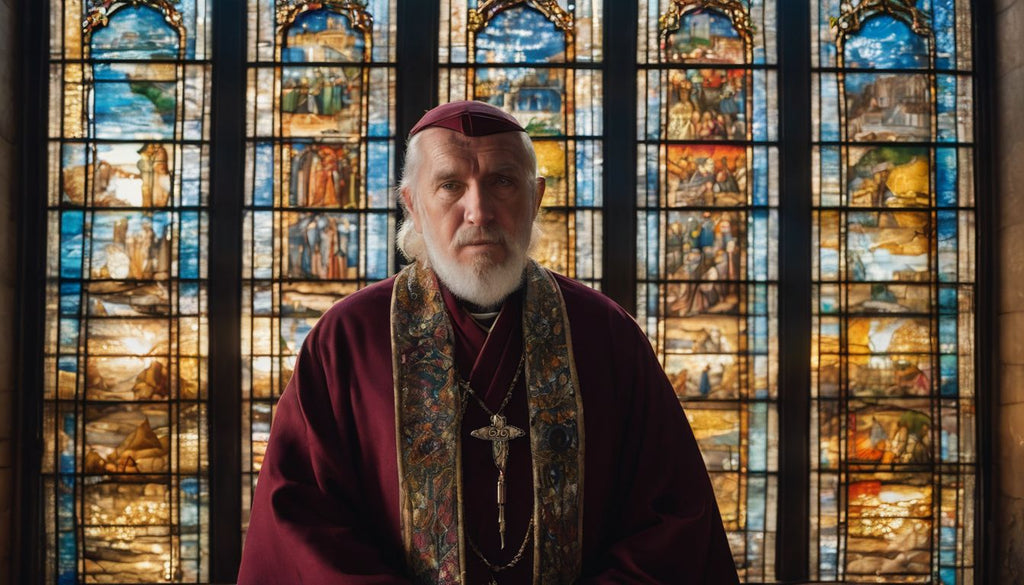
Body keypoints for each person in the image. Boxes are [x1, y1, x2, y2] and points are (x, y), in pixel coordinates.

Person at [237, 101, 738, 584]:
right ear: (412, 203)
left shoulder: (605, 335)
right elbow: (302, 524)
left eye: (502, 182)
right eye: (450, 185)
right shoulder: (347, 340)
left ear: (536, 196)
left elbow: (672, 521)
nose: (479, 211)